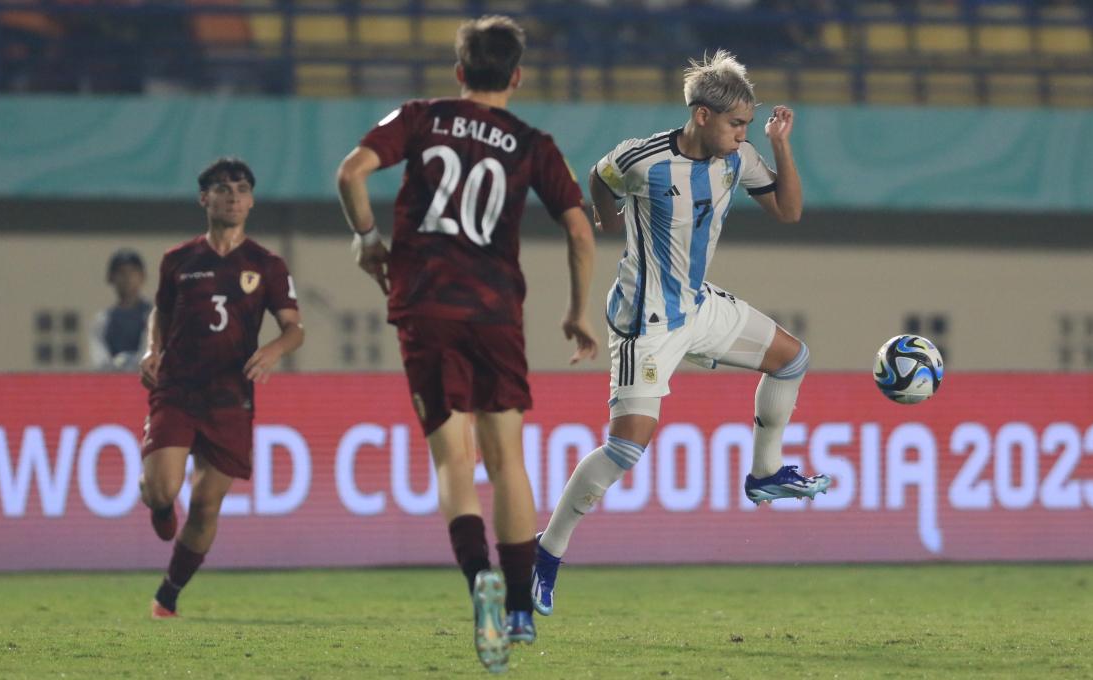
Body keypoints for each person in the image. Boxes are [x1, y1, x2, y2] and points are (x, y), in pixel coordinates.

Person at [335, 15, 597, 674]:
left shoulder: (421, 118)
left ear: (459, 72)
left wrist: (368, 240)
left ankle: (478, 574)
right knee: (506, 457)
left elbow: (351, 173)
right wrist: (576, 311)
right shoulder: (532, 141)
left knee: (453, 459)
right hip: (493, 310)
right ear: (516, 76)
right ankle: (516, 609)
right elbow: (579, 230)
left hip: (425, 303)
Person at [531, 50, 831, 617]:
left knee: (792, 359)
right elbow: (599, 177)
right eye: (736, 124)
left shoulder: (737, 159)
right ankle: (546, 555)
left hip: (697, 307)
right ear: (700, 116)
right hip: (644, 323)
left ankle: (765, 475)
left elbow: (789, 212)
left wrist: (781, 145)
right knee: (624, 450)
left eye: (747, 125)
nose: (744, 134)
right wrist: (609, 218)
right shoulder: (642, 159)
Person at [137, 157, 304, 619]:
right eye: (222, 188)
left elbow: (295, 328)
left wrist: (273, 350)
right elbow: (162, 313)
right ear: (203, 198)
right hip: (178, 388)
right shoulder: (178, 260)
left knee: (206, 504)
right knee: (162, 492)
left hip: (231, 397)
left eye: (242, 188)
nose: (233, 195)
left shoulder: (267, 265)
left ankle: (167, 596)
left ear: (251, 201)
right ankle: (157, 501)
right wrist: (152, 350)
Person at [89, 248, 152, 371]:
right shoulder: (102, 321)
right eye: (121, 273)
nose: (127, 278)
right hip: (113, 386)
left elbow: (149, 355)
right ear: (111, 278)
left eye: (133, 272)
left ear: (142, 276)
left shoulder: (154, 317)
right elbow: (100, 361)